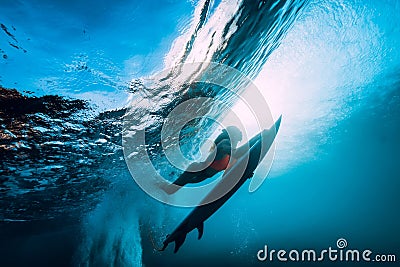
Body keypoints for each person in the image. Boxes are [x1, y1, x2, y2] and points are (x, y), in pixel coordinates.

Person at [162, 126, 243, 195]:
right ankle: (157, 185)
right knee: (169, 190)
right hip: (197, 169)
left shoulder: (231, 157)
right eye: (238, 138)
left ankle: (174, 174)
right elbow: (225, 149)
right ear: (232, 136)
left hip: (202, 175)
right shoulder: (225, 143)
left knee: (177, 184)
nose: (237, 142)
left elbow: (229, 170)